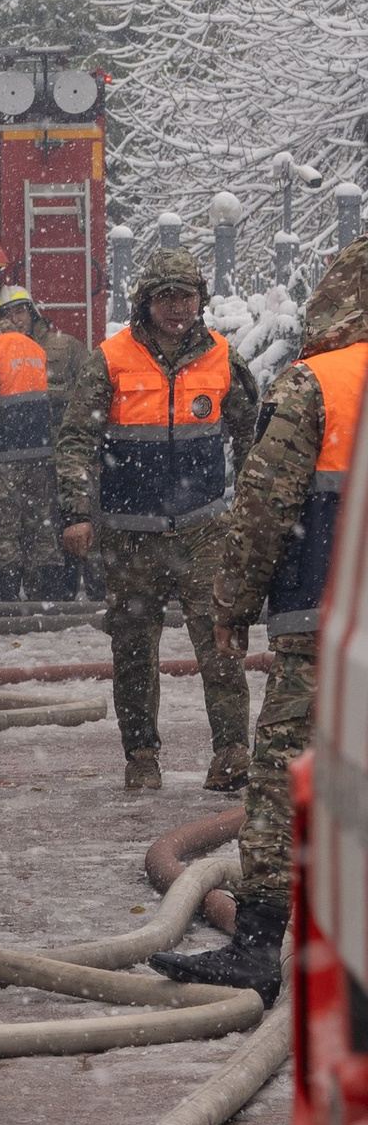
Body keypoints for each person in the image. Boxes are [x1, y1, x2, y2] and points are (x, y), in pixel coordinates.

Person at [153, 232, 368, 1001]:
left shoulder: (318, 384)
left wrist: (232, 608)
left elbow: (263, 511)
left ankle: (255, 946)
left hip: (330, 624)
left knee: (284, 781)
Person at [54, 240, 257, 795]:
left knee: (220, 643)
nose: (176, 307)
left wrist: (247, 506)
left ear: (200, 300)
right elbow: (75, 439)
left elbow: (251, 435)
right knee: (134, 651)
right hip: (129, 537)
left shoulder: (222, 357)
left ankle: (233, 752)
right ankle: (141, 756)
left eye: (185, 296)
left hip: (203, 530)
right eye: (165, 296)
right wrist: (76, 512)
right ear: (145, 302)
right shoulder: (110, 359)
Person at [0, 282, 62, 615]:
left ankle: (7, 608)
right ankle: (44, 604)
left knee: (5, 536)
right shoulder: (32, 348)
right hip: (41, 456)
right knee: (41, 531)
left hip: (3, 460)